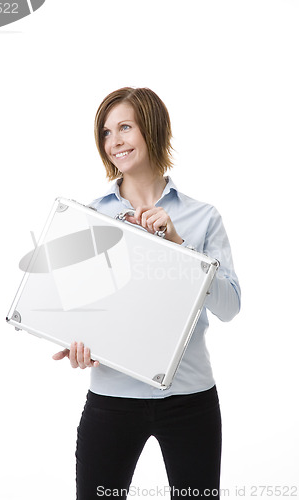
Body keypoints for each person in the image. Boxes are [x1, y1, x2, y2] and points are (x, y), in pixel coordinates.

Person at [52, 87, 241, 499]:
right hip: (111, 399)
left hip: (190, 400)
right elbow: (81, 309)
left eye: (125, 127)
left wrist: (178, 247)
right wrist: (77, 342)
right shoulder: (90, 215)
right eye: (105, 132)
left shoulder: (201, 217)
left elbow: (230, 306)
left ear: (153, 129)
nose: (114, 141)